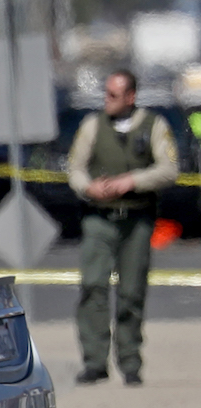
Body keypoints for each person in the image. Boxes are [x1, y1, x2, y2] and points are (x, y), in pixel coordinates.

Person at [66, 68, 177, 386]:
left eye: (114, 95)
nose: (107, 100)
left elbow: (169, 169)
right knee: (93, 287)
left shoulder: (154, 125)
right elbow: (75, 168)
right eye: (106, 94)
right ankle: (94, 361)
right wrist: (89, 188)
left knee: (131, 291)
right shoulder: (92, 125)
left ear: (131, 96)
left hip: (136, 219)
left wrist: (132, 181)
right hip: (98, 218)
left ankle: (130, 362)